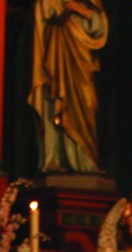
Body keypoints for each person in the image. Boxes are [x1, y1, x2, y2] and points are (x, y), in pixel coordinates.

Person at [28, 0, 108, 174]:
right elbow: (47, 12)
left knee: (86, 102)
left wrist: (83, 11)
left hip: (82, 57)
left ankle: (86, 160)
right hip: (57, 53)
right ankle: (55, 158)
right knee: (54, 99)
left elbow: (100, 28)